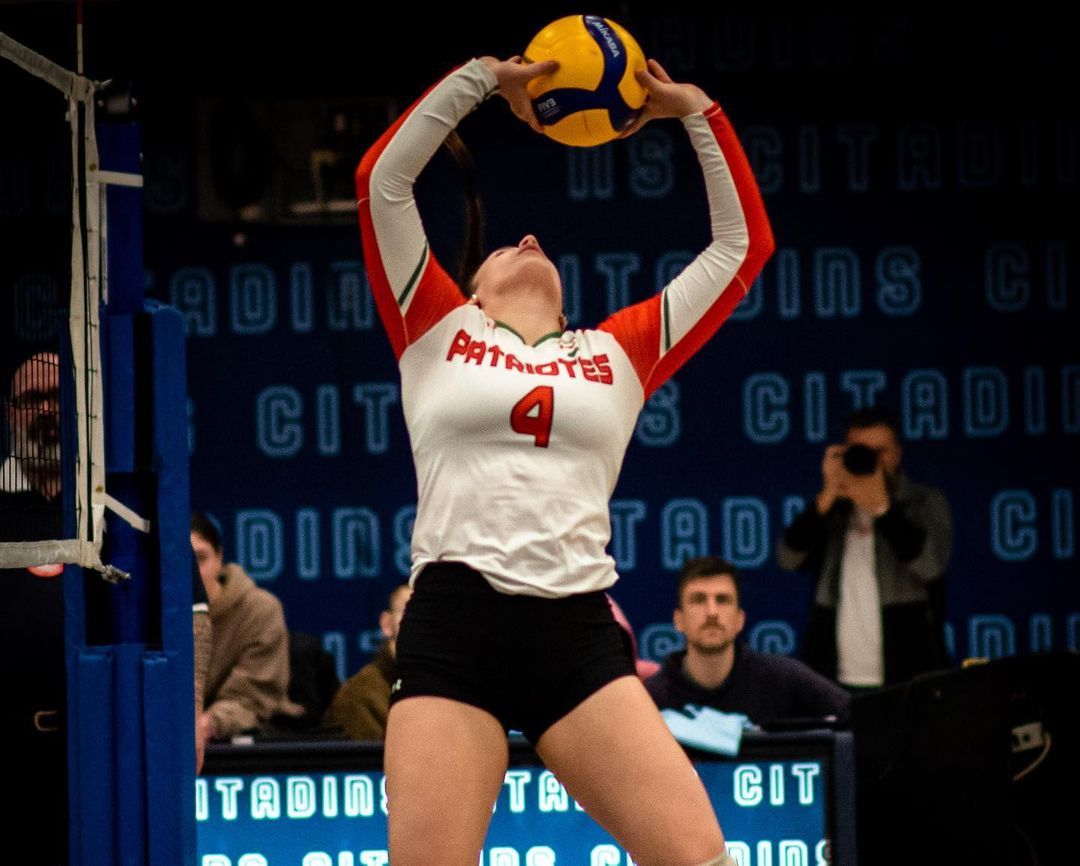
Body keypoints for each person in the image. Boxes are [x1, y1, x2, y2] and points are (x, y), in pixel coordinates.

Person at [356, 51, 773, 866]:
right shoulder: (435, 327)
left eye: (540, 240)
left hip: (576, 630)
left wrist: (698, 113)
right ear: (472, 289)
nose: (531, 235)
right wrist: (481, 80)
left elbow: (741, 249)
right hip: (454, 625)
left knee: (702, 860)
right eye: (508, 242)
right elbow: (382, 181)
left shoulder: (618, 353)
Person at [776, 408, 953, 689]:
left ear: (896, 454)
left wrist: (883, 509)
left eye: (879, 452)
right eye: (860, 451)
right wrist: (829, 494)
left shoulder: (923, 501)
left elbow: (930, 565)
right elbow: (788, 557)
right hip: (835, 675)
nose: (871, 460)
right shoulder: (834, 508)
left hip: (908, 672)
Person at [645, 557, 849, 725]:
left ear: (740, 620)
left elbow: (852, 714)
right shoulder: (650, 700)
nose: (712, 612)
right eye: (699, 600)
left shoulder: (783, 679)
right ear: (678, 620)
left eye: (723, 600)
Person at [190, 513, 303, 742]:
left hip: (241, 745)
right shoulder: (146, 615)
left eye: (200, 559)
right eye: (181, 563)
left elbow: (251, 699)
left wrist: (206, 725)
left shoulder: (260, 610)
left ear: (219, 558)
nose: (191, 574)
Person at [324, 584, 412, 740]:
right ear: (387, 624)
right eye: (409, 611)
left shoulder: (447, 688)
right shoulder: (359, 695)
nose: (419, 622)